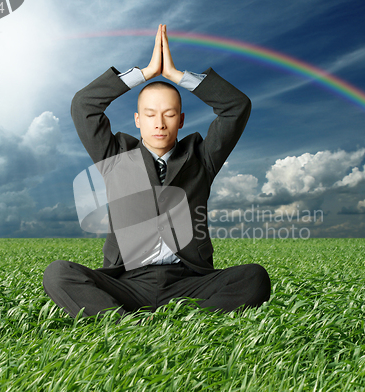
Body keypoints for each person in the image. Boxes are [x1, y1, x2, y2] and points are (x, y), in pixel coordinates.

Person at [43, 24, 271, 319]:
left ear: (181, 120)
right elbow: (84, 105)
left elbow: (236, 107)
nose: (159, 123)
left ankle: (189, 323)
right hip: (127, 283)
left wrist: (177, 76)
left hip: (189, 282)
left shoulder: (202, 158)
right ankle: (123, 327)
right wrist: (145, 74)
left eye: (169, 114)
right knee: (58, 273)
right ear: (138, 120)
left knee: (254, 277)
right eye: (150, 115)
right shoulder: (114, 156)